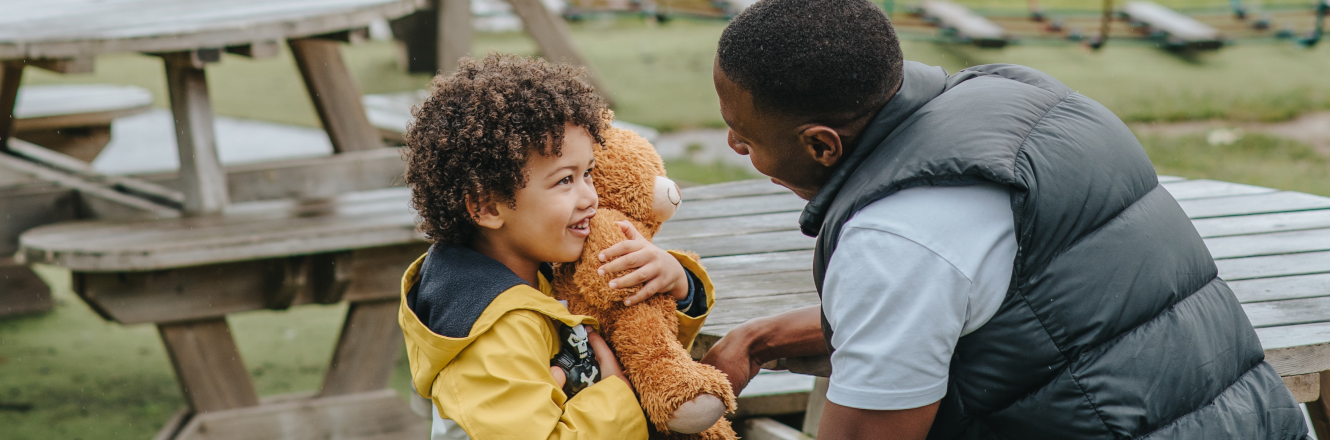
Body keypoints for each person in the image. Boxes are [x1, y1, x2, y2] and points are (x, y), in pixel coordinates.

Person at [698, 0, 1308, 438]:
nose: (732, 145)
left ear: (823, 146)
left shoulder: (894, 238)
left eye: (744, 136)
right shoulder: (1028, 100)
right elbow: (979, 307)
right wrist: (762, 338)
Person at [398, 53, 714, 440]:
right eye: (565, 180)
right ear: (485, 205)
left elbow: (641, 347)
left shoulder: (545, 267)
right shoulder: (491, 331)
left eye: (589, 174)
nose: (590, 198)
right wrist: (619, 396)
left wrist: (675, 285)